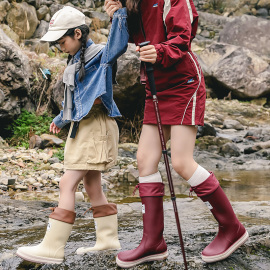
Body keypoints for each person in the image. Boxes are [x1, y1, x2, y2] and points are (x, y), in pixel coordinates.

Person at [105, 0, 249, 268]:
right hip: (155, 86)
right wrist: (119, 16)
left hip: (184, 84)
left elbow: (182, 39)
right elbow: (130, 41)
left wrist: (159, 52)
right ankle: (153, 243)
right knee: (145, 160)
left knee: (181, 162)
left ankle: (232, 229)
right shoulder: (133, 4)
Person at [16, 3, 128, 264]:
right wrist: (60, 119)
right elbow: (78, 97)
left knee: (67, 182)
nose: (59, 46)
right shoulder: (75, 59)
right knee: (91, 184)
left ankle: (53, 248)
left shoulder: (101, 55)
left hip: (97, 125)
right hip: (84, 125)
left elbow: (118, 43)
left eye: (62, 40)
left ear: (78, 34)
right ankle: (108, 241)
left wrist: (118, 13)